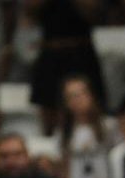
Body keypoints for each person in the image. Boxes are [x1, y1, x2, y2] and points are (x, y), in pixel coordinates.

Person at [26, 0, 106, 135]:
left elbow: (94, 13)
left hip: (81, 52)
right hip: (51, 52)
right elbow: (30, 13)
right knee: (48, 111)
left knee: (90, 106)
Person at [58, 74, 118, 178]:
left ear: (91, 95)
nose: (77, 100)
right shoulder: (64, 133)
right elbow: (64, 169)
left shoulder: (109, 126)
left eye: (81, 94)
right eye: (71, 96)